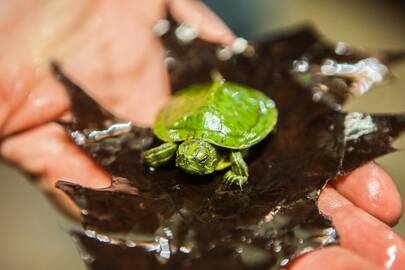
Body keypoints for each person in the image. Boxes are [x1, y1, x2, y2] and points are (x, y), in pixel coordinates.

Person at [0, 0, 404, 269]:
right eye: (190, 154)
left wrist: (236, 167)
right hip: (189, 108)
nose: (193, 160)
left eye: (199, 156)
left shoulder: (227, 152)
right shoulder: (177, 144)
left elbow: (234, 154)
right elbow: (164, 153)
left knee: (232, 21)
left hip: (235, 109)